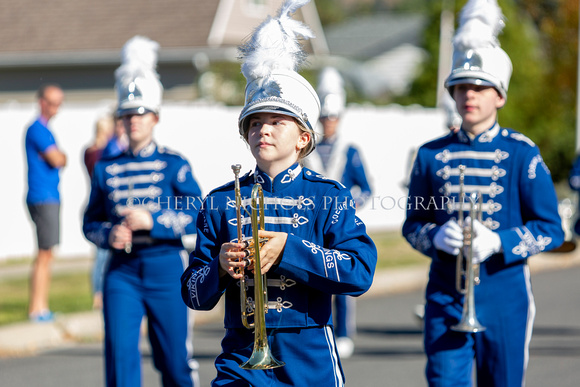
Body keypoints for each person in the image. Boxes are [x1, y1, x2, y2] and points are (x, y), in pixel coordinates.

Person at [180, 1, 377, 385]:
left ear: (304, 137)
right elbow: (192, 293)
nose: (263, 130)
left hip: (308, 356)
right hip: (240, 355)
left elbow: (360, 272)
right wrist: (219, 266)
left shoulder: (328, 196)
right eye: (254, 122)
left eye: (275, 121)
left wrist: (290, 250)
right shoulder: (220, 201)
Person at [402, 1, 564, 386]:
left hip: (505, 295)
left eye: (479, 87)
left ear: (500, 96)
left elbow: (551, 229)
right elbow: (412, 223)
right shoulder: (430, 154)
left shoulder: (521, 153)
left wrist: (500, 241)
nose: (468, 95)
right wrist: (434, 237)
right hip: (445, 293)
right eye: (460, 87)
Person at [83, 36, 201, 387]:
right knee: (120, 363)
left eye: (141, 113)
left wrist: (156, 221)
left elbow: (198, 210)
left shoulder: (173, 163)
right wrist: (108, 234)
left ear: (155, 117)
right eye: (127, 114)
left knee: (175, 364)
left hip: (166, 266)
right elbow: (90, 221)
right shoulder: (105, 167)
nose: (134, 119)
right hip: (122, 271)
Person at [304, 66, 372, 359]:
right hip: (310, 225)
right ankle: (320, 329)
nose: (328, 123)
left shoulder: (350, 150)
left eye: (332, 118)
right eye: (323, 118)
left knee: (341, 277)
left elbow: (366, 188)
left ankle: (344, 332)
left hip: (341, 224)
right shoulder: (307, 148)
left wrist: (349, 207)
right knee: (314, 277)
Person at [25, 83, 67, 323]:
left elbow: (59, 157)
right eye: (52, 103)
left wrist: (61, 157)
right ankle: (37, 309)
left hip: (47, 196)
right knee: (44, 254)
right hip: (43, 197)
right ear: (42, 102)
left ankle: (41, 307)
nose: (56, 108)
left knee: (47, 253)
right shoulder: (37, 129)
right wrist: (60, 157)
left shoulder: (45, 130)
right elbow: (57, 158)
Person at [83, 114, 115, 310]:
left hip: (96, 201)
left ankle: (98, 292)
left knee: (99, 254)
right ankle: (99, 293)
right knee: (103, 254)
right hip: (104, 204)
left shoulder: (88, 151)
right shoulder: (103, 153)